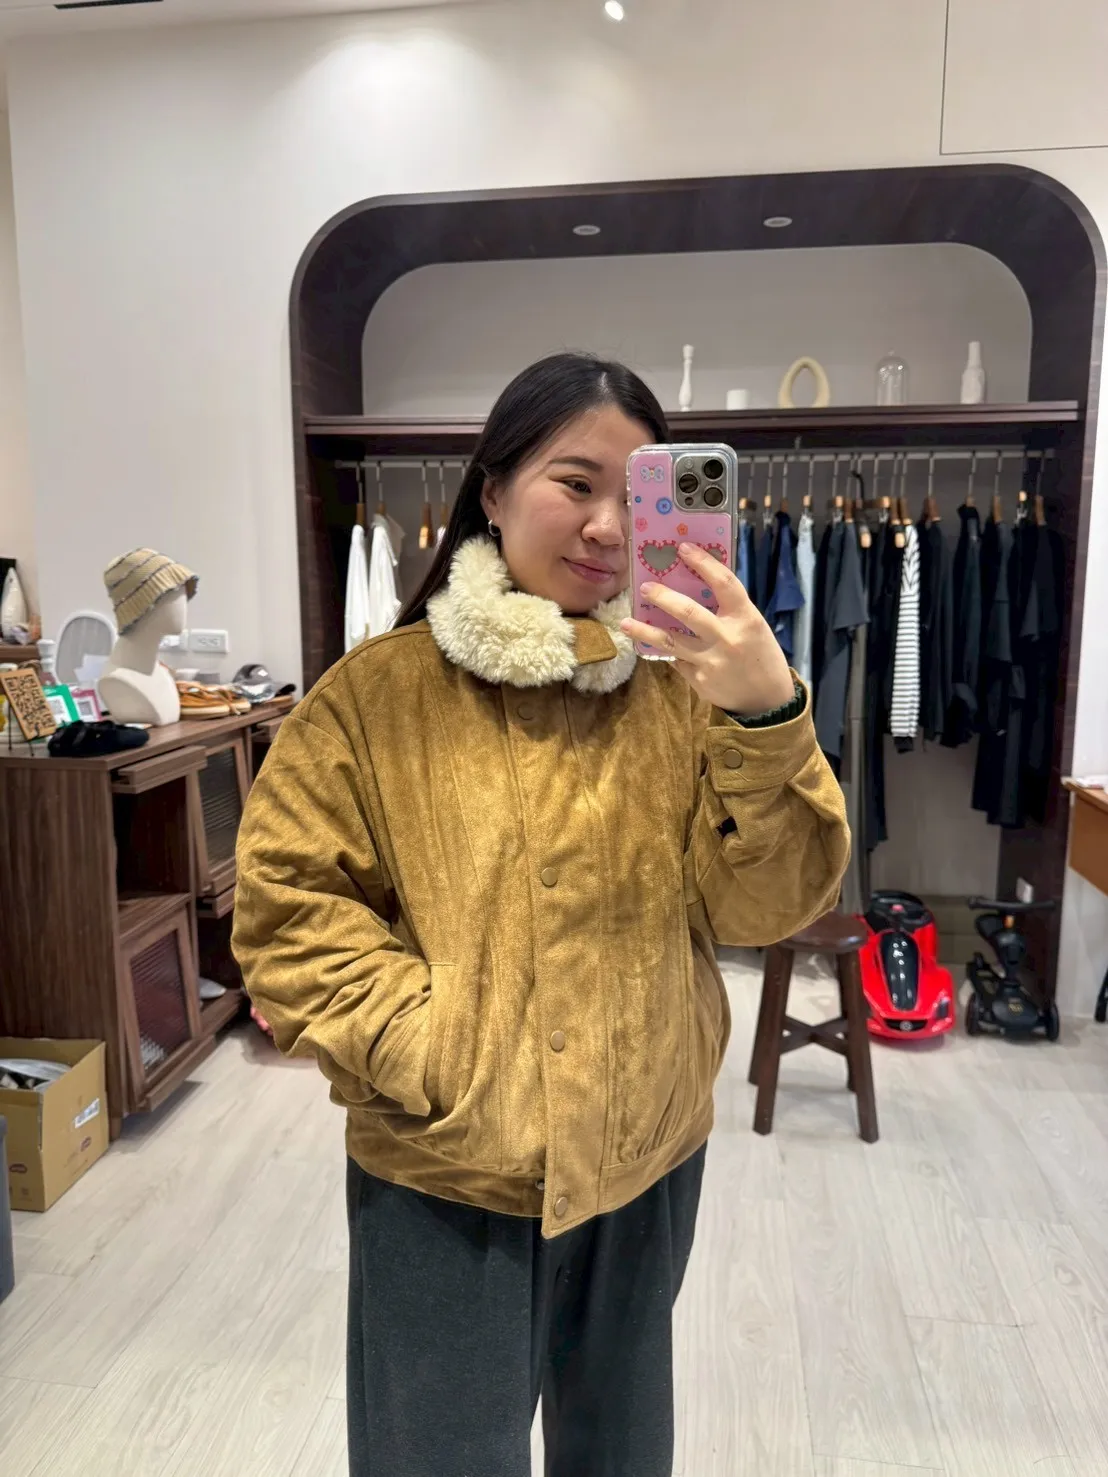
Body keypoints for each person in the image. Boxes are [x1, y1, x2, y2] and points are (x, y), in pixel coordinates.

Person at [232, 352, 849, 1477]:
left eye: (637, 493)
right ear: (494, 489)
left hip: (646, 1154)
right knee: (437, 1456)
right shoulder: (376, 698)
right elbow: (290, 912)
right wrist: (432, 1049)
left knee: (620, 1454)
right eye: (575, 482)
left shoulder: (686, 689)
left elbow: (767, 903)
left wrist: (766, 718)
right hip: (447, 1168)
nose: (609, 525)